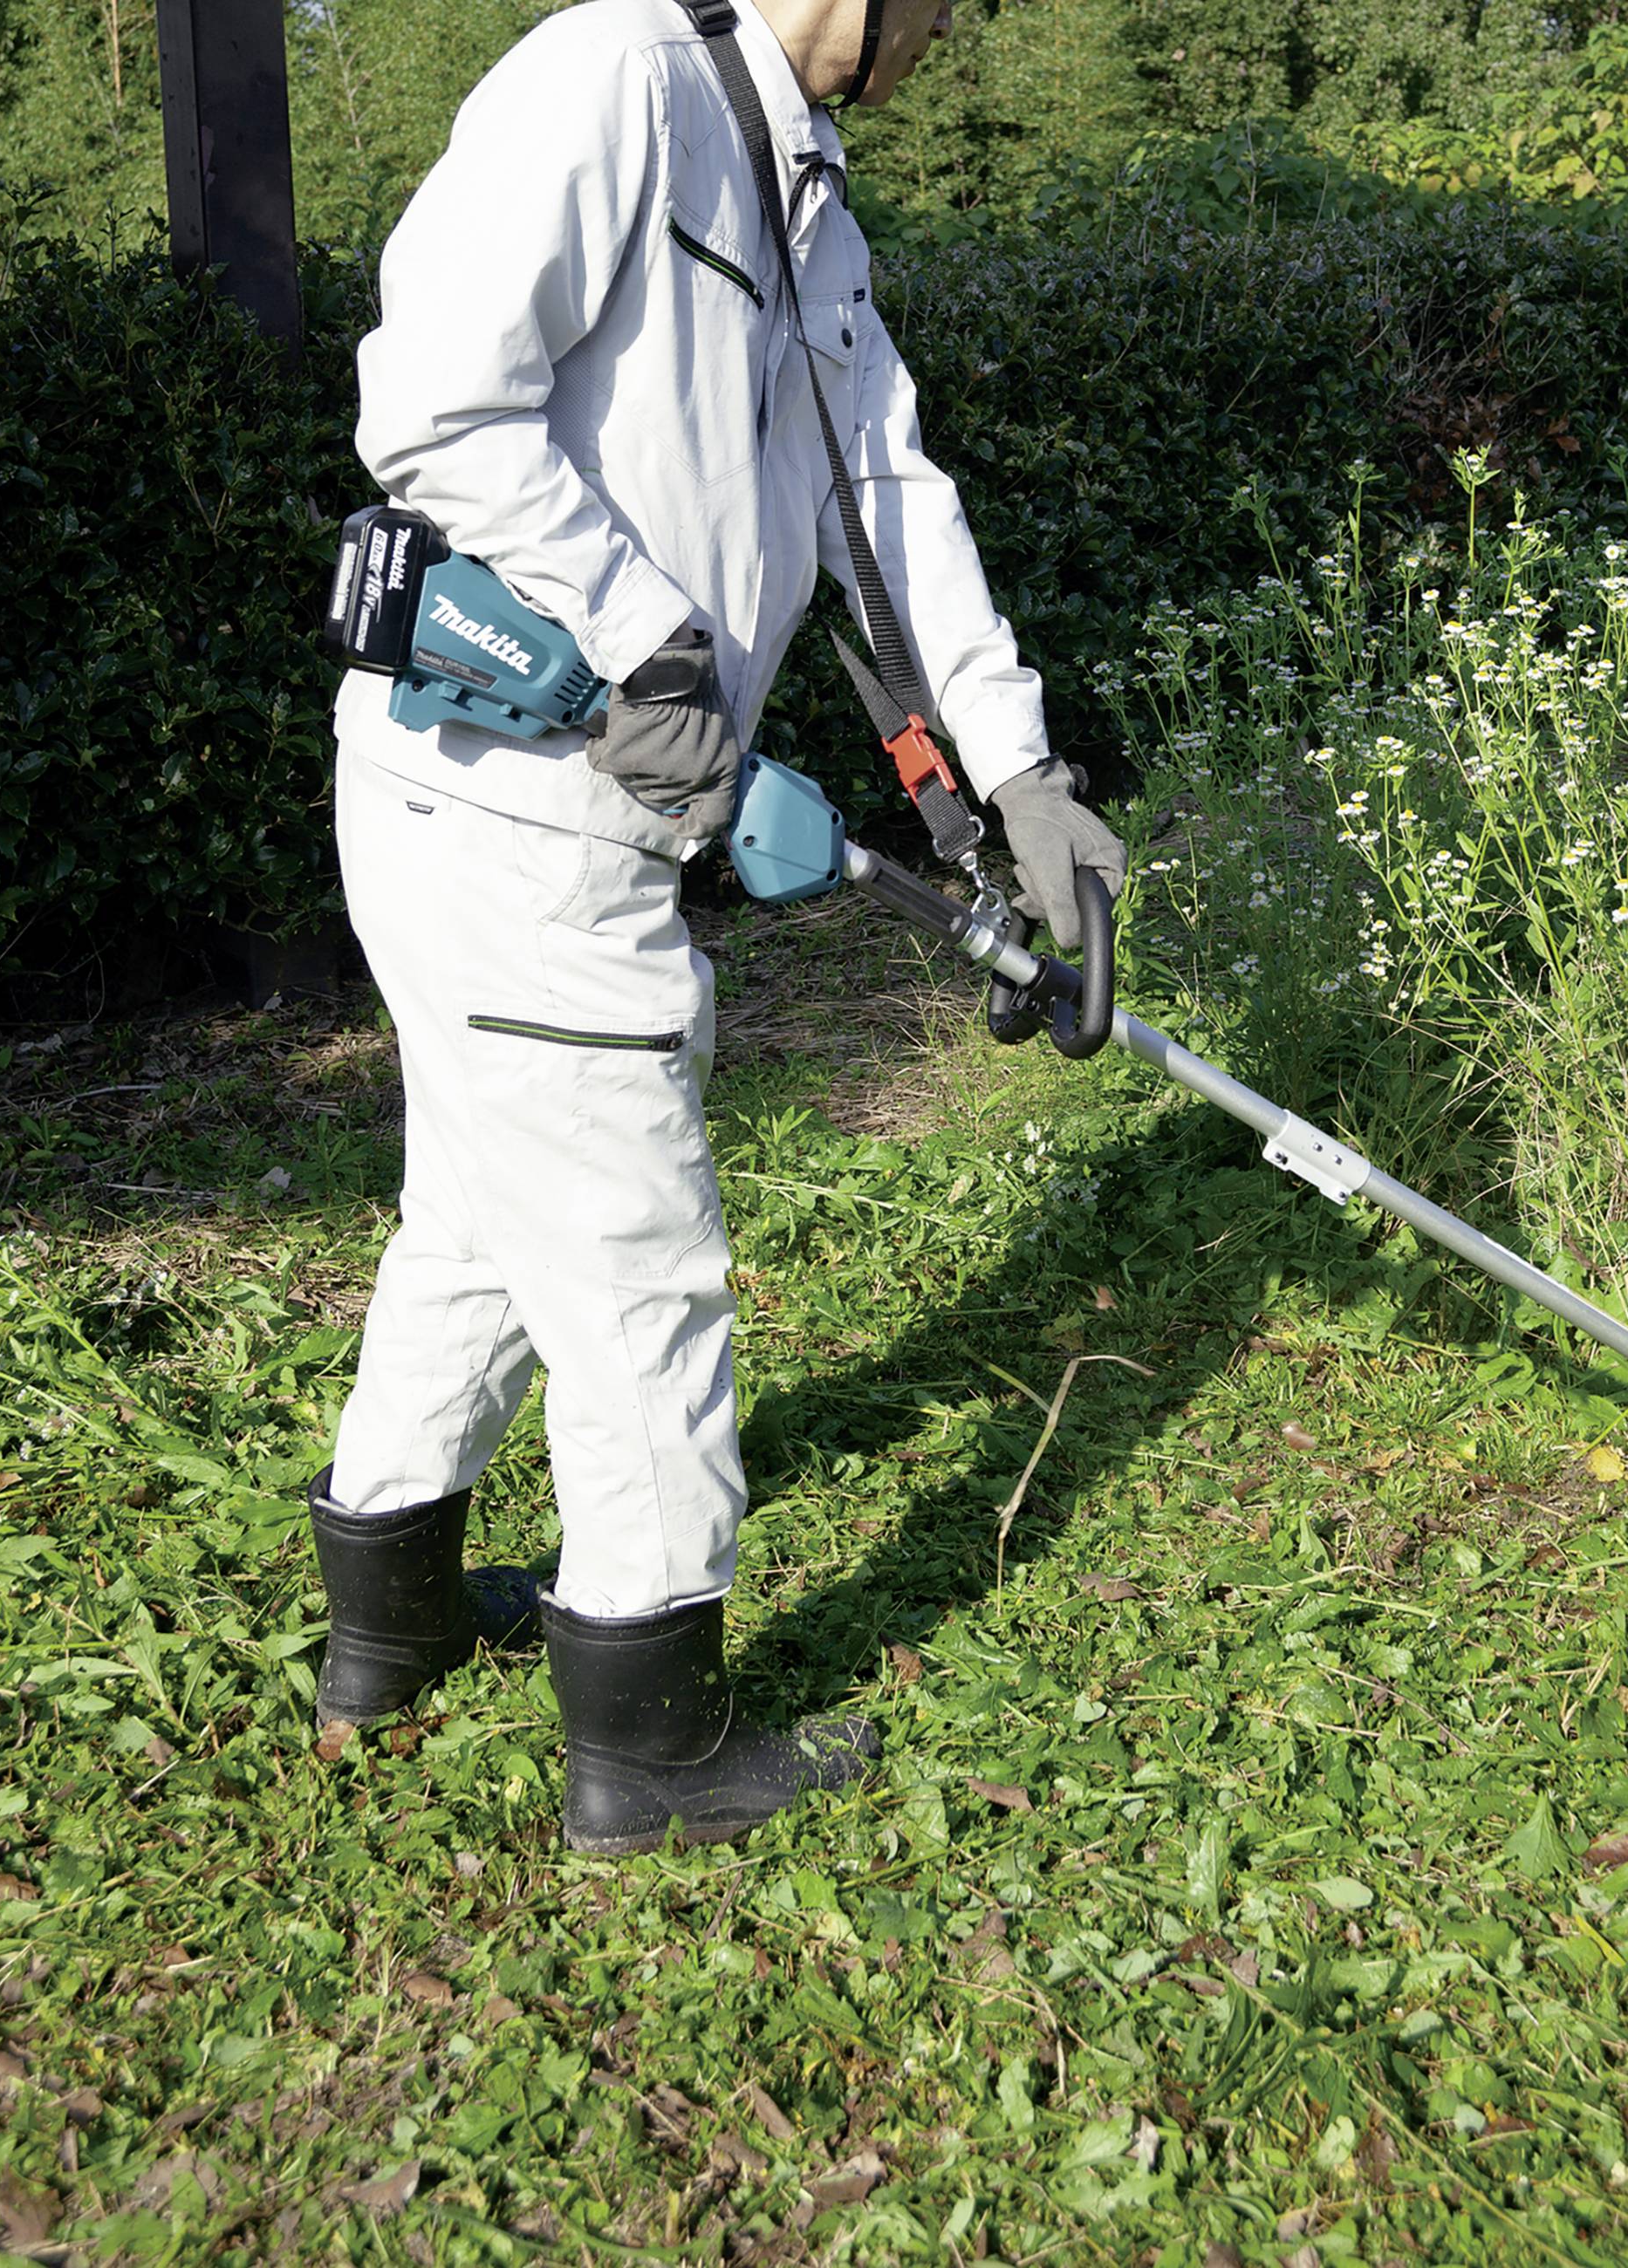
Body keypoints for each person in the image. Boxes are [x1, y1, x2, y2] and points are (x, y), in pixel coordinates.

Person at [308, 0, 1127, 1853]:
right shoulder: (613, 76)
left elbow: (885, 494)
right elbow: (431, 399)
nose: (951, 36)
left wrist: (1016, 775)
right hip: (520, 801)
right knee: (634, 1257)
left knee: (484, 1205)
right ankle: (655, 1737)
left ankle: (389, 1616)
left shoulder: (797, 177)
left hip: (557, 808)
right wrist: (641, 643)